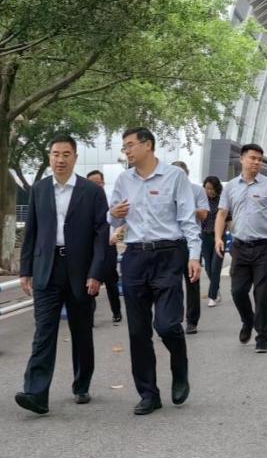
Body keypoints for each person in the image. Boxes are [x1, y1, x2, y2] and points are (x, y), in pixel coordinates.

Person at [109, 127, 202, 415]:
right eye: (124, 147)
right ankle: (149, 394)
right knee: (138, 332)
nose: (126, 151)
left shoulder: (174, 177)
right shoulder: (123, 180)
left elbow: (188, 220)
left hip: (168, 255)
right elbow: (114, 221)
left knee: (166, 324)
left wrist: (194, 256)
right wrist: (113, 215)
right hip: (135, 257)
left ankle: (180, 367)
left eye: (130, 145)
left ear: (147, 145)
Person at [16, 135, 108, 414]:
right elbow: (31, 231)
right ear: (49, 157)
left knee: (81, 331)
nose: (60, 159)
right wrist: (25, 270)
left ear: (75, 158)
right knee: (44, 331)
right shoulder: (40, 189)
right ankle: (36, 394)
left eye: (66, 154)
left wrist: (96, 273)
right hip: (47, 268)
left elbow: (100, 236)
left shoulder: (91, 192)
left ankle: (81, 384)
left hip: (80, 270)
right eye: (55, 154)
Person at [214, 143, 267, 354]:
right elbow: (221, 213)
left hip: (264, 247)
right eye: (252, 158)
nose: (256, 162)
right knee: (237, 291)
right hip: (240, 247)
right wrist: (218, 238)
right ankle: (247, 320)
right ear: (242, 159)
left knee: (262, 295)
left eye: (259, 159)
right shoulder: (230, 187)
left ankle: (262, 336)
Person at [172, 161, 207, 333]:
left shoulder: (197, 190)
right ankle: (175, 319)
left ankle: (192, 321)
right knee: (172, 282)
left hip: (191, 241)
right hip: (171, 242)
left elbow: (204, 214)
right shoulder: (166, 190)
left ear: (186, 174)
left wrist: (186, 208)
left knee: (192, 281)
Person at [86, 170, 122, 324]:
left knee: (111, 283)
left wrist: (117, 235)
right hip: (90, 249)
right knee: (90, 283)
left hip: (108, 247)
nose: (96, 186)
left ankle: (116, 312)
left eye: (98, 183)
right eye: (92, 183)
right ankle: (89, 318)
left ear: (103, 183)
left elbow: (121, 223)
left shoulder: (111, 200)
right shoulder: (83, 202)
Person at [199, 176, 224, 308]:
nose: (208, 191)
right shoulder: (202, 200)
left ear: (216, 188)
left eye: (211, 188)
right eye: (206, 188)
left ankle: (212, 296)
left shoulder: (222, 200)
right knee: (208, 267)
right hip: (205, 236)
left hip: (219, 237)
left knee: (215, 267)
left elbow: (227, 218)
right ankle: (216, 289)